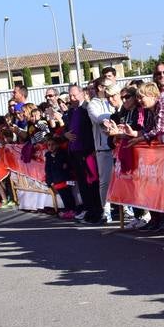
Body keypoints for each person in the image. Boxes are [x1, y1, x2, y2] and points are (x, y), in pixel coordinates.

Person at [63, 84, 102, 224]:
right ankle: (88, 210)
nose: (72, 98)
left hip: (87, 151)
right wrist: (65, 134)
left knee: (91, 183)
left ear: (81, 94)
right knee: (83, 185)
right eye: (70, 96)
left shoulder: (87, 108)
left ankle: (96, 212)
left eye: (75, 95)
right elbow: (66, 128)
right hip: (75, 152)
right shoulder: (71, 111)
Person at [87, 77, 117, 223]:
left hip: (118, 146)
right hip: (103, 148)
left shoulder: (115, 100)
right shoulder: (92, 104)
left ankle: (127, 210)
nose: (112, 89)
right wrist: (114, 117)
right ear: (100, 88)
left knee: (123, 179)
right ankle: (106, 212)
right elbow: (98, 117)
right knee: (105, 182)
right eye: (108, 86)